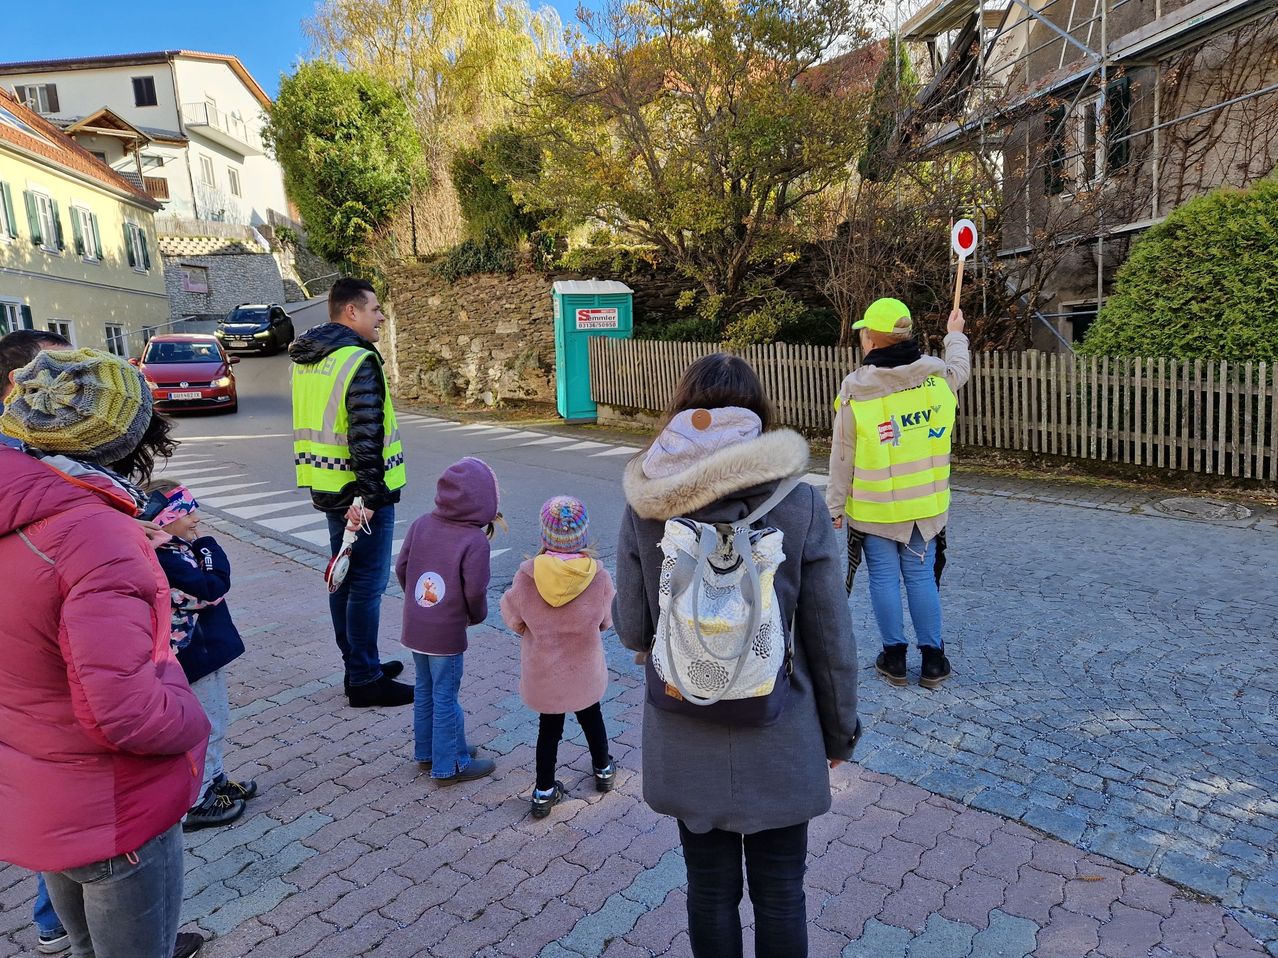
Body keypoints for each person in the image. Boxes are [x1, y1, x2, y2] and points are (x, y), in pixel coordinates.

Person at [614, 353, 860, 958]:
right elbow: (830, 638)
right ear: (756, 417)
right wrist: (839, 736)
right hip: (782, 730)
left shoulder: (647, 501)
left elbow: (631, 628)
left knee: (707, 891)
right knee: (781, 894)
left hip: (683, 726)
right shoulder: (798, 504)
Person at [0, 348, 211, 958]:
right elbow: (124, 711)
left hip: (41, 795)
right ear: (129, 440)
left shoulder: (29, 512)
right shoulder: (93, 535)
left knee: (85, 949)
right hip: (113, 810)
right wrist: (187, 711)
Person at [826, 299, 970, 688]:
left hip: (875, 509)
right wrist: (954, 336)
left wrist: (834, 506)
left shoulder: (855, 392)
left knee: (885, 580)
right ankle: (934, 661)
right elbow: (961, 368)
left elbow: (843, 455)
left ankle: (894, 658)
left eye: (863, 332)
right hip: (926, 504)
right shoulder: (938, 379)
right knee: (921, 578)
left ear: (871, 338)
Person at [290, 278, 412, 708]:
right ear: (351, 312)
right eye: (375, 309)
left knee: (342, 577)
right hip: (361, 494)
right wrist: (372, 498)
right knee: (365, 584)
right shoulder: (357, 359)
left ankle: (361, 662)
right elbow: (365, 435)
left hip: (327, 484)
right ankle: (363, 678)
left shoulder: (309, 359)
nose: (381, 316)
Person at [0, 330, 74, 953]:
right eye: (62, 373)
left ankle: (56, 920)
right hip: (42, 670)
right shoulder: (30, 468)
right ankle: (72, 926)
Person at [143, 479, 258, 831]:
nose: (195, 518)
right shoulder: (167, 558)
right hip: (191, 654)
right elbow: (212, 588)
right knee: (205, 725)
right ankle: (197, 800)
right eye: (186, 511)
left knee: (217, 718)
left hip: (204, 651)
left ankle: (215, 779)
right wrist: (208, 546)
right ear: (163, 520)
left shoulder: (174, 549)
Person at [499, 496, 617, 818]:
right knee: (592, 718)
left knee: (548, 729)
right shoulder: (599, 578)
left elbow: (512, 618)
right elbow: (606, 621)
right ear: (583, 535)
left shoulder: (527, 577)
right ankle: (603, 769)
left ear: (544, 535)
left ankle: (543, 791)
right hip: (584, 672)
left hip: (545, 674)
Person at [394, 457, 498, 783]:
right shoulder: (474, 540)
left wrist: (417, 605)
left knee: (424, 689)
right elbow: (476, 591)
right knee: (445, 696)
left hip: (415, 626)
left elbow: (402, 568)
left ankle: (428, 752)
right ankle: (451, 764)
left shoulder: (422, 523)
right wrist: (476, 616)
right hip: (446, 633)